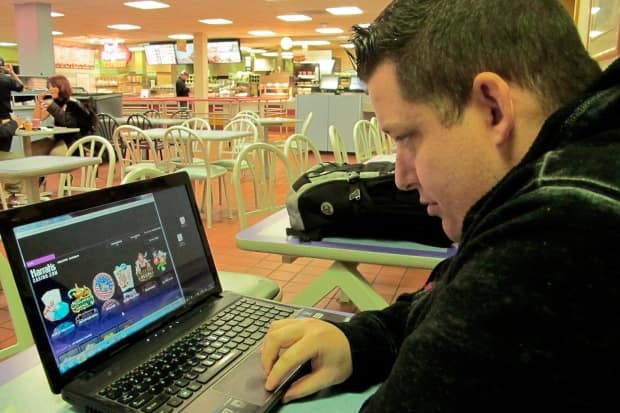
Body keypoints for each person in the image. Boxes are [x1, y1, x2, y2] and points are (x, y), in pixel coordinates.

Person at [261, 0, 620, 411]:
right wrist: (357, 341)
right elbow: (449, 298)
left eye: (407, 137)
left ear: (493, 108)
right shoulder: (579, 167)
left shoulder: (564, 225)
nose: (401, 177)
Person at [31, 74, 92, 156]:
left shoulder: (73, 103)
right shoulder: (56, 102)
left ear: (61, 87)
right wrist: (39, 101)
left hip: (76, 141)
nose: (49, 91)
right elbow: (39, 118)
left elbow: (70, 124)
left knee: (55, 154)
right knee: (32, 148)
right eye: (48, 88)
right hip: (59, 138)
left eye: (51, 88)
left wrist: (52, 105)